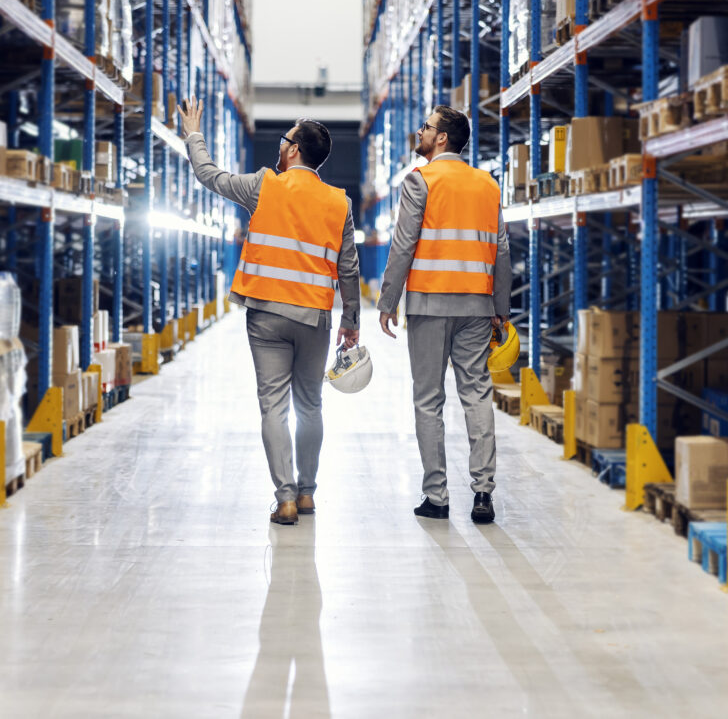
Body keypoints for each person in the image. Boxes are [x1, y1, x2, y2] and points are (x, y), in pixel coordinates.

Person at [178, 98, 360, 525]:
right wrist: (351, 321)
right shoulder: (339, 203)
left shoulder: (264, 185)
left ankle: (285, 499)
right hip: (314, 317)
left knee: (274, 406)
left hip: (265, 316)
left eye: (285, 140)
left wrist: (193, 134)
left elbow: (209, 175)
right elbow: (348, 268)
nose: (280, 146)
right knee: (310, 405)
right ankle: (308, 491)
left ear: (293, 149)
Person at [377, 105, 511, 524]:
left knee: (429, 399)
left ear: (442, 139)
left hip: (431, 305)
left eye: (427, 127)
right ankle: (483, 494)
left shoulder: (421, 180)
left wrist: (387, 301)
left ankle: (437, 496)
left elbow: (403, 246)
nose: (420, 131)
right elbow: (502, 252)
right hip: (476, 305)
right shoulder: (487, 185)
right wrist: (500, 310)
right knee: (477, 394)